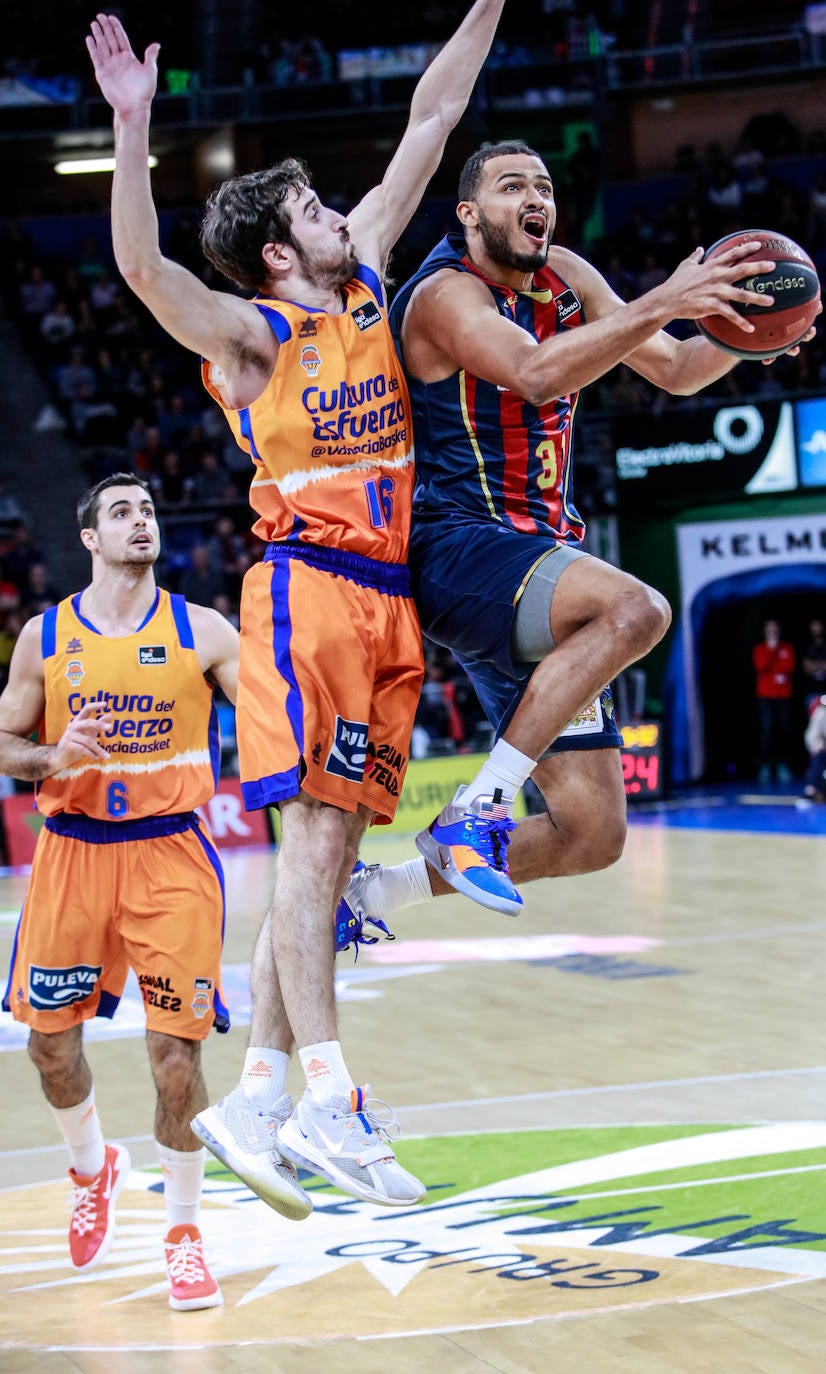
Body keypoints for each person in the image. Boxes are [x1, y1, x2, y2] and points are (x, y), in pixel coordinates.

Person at [86, 1, 507, 1217]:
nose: (342, 214)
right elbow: (139, 268)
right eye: (316, 212)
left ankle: (262, 1093)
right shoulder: (251, 337)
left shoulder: (363, 279)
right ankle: (332, 1098)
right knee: (312, 846)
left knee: (334, 858)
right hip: (305, 590)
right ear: (279, 252)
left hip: (388, 600)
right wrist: (131, 130)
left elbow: (433, 117)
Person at [336, 139, 814, 933]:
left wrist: (744, 335)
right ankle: (479, 806)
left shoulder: (571, 276)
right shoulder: (443, 297)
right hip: (459, 546)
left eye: (545, 187)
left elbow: (677, 369)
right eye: (512, 186)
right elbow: (535, 374)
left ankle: (370, 895)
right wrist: (662, 299)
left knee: (592, 832)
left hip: (537, 563)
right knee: (638, 610)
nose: (536, 199)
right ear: (468, 213)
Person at [0, 473, 239, 1310]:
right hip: (70, 856)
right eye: (121, 512)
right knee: (50, 1050)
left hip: (170, 855)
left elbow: (279, 725)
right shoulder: (43, 635)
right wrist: (45, 759)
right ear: (91, 540)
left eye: (147, 510)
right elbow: (4, 741)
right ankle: (93, 1167)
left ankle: (182, 1234)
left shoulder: (204, 631)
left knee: (177, 1062)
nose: (141, 521)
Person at [753, 618, 796, 785]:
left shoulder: (787, 648)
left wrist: (777, 649)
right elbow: (761, 667)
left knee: (783, 730)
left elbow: (789, 667)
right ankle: (765, 765)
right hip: (766, 695)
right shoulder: (760, 649)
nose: (772, 631)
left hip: (784, 695)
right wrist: (771, 650)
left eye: (775, 628)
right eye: (769, 628)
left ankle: (782, 764)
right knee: (767, 730)